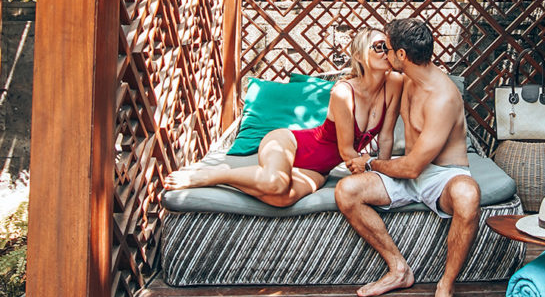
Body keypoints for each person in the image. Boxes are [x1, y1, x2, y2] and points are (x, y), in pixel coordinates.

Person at [335, 18, 481, 297]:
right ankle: (398, 268)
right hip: (406, 173)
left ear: (401, 55)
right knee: (347, 191)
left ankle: (446, 287)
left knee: (468, 195)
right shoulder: (405, 81)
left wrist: (371, 164)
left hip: (441, 176)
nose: (383, 54)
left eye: (386, 49)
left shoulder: (442, 97)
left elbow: (414, 166)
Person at [164, 27, 403, 207]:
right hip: (289, 143)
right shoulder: (343, 92)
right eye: (379, 46)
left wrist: (383, 174)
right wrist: (373, 169)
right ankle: (215, 175)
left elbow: (386, 138)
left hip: (319, 171)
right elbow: (346, 153)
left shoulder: (394, 83)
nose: (386, 52)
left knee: (283, 199)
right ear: (360, 56)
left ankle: (233, 182)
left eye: (387, 47)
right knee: (275, 183)